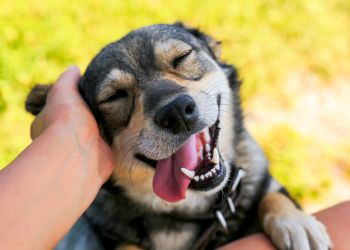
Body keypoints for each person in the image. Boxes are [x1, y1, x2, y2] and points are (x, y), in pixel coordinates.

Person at [0, 66, 348, 250]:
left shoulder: (247, 166)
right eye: (117, 95)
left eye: (181, 62)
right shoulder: (102, 216)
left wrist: (277, 208)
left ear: (216, 59)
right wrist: (67, 134)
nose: (174, 105)